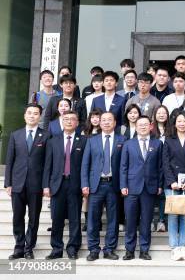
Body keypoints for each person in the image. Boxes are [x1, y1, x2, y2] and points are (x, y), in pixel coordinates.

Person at [4, 104, 50, 260]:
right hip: (17, 183)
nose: (32, 116)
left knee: (34, 218)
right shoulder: (15, 135)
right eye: (29, 113)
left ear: (40, 117)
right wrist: (8, 183)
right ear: (25, 116)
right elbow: (9, 161)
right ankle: (18, 247)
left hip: (36, 184)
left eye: (35, 113)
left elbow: (47, 163)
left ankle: (29, 248)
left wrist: (46, 185)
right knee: (18, 217)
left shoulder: (46, 135)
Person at [81, 112, 125, 261]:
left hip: (114, 184)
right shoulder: (92, 140)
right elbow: (85, 164)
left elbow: (125, 165)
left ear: (114, 123)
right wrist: (85, 184)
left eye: (109, 120)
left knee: (113, 219)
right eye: (103, 120)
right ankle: (93, 249)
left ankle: (109, 249)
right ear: (99, 123)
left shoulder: (122, 140)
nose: (106, 122)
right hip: (96, 185)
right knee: (93, 219)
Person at [43, 110, 87, 260]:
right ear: (62, 121)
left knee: (75, 218)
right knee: (57, 218)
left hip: (75, 184)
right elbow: (47, 165)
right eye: (66, 119)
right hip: (57, 184)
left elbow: (85, 165)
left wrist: (84, 185)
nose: (69, 121)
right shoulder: (53, 140)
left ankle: (73, 248)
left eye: (72, 119)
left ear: (77, 122)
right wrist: (46, 185)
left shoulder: (83, 140)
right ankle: (56, 248)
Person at [120, 116, 163, 260]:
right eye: (140, 125)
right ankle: (129, 250)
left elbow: (160, 167)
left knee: (146, 220)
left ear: (151, 126)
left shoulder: (157, 144)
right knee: (131, 220)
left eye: (145, 124)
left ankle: (144, 250)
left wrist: (159, 185)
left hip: (149, 188)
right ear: (136, 127)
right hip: (131, 188)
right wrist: (123, 185)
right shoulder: (128, 144)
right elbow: (123, 167)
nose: (143, 127)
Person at [162, 112, 185, 261]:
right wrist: (172, 182)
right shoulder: (169, 140)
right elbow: (165, 163)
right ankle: (174, 247)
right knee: (173, 215)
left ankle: (183, 246)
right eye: (179, 121)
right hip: (172, 185)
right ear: (174, 123)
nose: (182, 123)